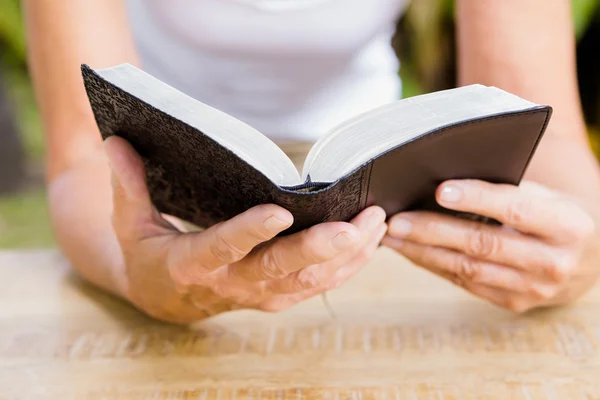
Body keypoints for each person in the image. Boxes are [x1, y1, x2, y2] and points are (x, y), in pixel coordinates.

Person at [23, 0, 600, 324]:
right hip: (166, 179)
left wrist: (585, 246)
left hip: (366, 171)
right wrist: (134, 275)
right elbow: (81, 154)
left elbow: (546, 136)